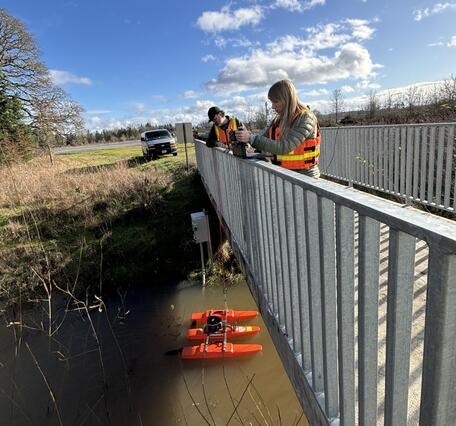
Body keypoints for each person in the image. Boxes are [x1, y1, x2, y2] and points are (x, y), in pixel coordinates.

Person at [235, 79, 321, 178]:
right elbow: (262, 140)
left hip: (306, 179)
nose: (272, 106)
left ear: (287, 99)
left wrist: (251, 138)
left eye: (276, 101)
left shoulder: (306, 118)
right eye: (272, 102)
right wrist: (246, 140)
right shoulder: (278, 120)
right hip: (284, 176)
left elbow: (285, 147)